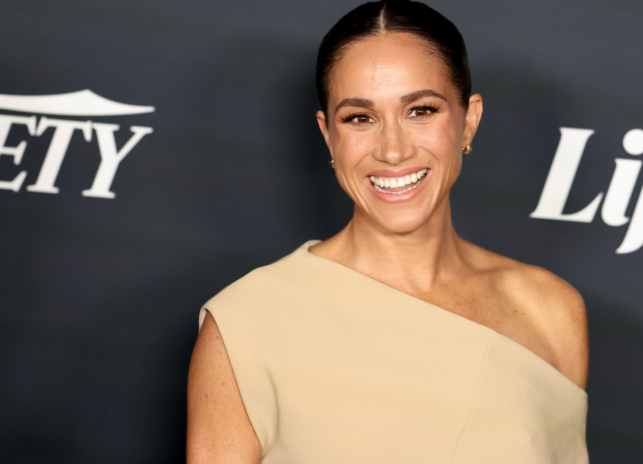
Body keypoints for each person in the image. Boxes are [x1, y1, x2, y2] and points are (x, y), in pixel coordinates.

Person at [187, 1, 589, 463]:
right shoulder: (245, 326)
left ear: (469, 120)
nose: (393, 150)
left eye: (420, 110)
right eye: (360, 118)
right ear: (328, 134)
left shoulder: (549, 311)